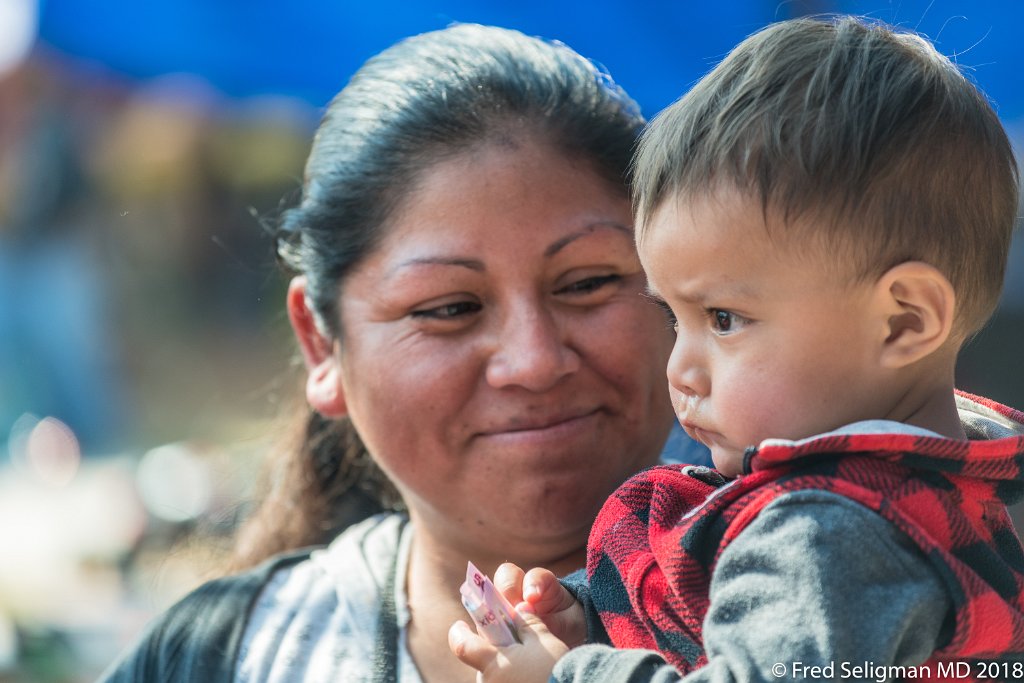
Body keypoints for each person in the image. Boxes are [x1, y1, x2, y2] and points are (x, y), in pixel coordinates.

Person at [97, 22, 711, 683]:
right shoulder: (220, 657)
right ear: (321, 343)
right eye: (449, 308)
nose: (533, 361)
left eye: (587, 284)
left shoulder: (809, 596)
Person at [449, 15, 1024, 682]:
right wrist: (587, 616)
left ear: (903, 321)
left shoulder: (830, 536)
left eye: (724, 317)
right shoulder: (942, 496)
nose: (681, 369)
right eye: (674, 317)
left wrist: (568, 674)